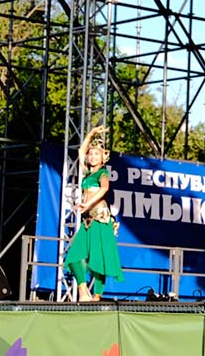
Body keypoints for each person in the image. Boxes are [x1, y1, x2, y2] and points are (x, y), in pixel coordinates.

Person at [65, 125, 125, 301]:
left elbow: (104, 189)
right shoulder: (86, 172)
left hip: (100, 219)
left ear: (103, 157)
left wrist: (87, 203)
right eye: (91, 154)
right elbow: (80, 151)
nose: (92, 156)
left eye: (96, 154)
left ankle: (97, 297)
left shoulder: (102, 173)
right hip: (88, 221)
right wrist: (91, 134)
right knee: (74, 257)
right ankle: (83, 290)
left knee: (99, 261)